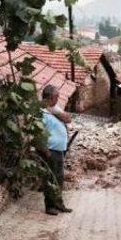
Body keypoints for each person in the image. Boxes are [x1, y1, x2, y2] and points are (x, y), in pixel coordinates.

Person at [40, 85, 73, 216]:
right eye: (56, 97)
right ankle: (50, 206)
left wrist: (55, 111)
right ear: (49, 97)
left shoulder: (53, 109)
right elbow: (39, 133)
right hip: (50, 150)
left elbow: (68, 118)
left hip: (59, 150)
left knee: (59, 179)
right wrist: (45, 150)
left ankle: (59, 204)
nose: (58, 99)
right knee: (50, 178)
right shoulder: (41, 112)